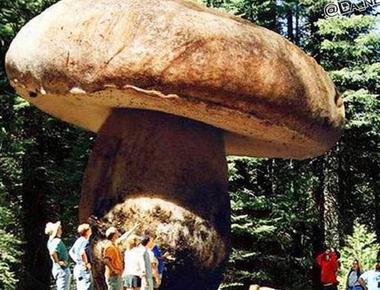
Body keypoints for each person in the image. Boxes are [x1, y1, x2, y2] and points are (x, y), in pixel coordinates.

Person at [45, 221, 71, 290]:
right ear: (56, 231)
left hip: (57, 270)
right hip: (62, 270)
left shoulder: (50, 241)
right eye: (59, 229)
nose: (61, 231)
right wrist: (58, 262)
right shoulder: (57, 241)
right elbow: (52, 252)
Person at [69, 223, 94, 290]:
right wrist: (86, 263)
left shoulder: (79, 240)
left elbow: (71, 252)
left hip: (78, 268)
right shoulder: (85, 241)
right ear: (87, 231)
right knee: (87, 287)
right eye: (89, 229)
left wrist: (77, 260)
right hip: (84, 270)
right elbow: (82, 252)